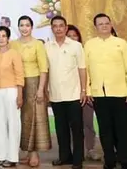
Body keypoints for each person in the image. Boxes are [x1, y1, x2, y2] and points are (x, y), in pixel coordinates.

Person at [85, 13, 127, 169]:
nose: (104, 26)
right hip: (99, 94)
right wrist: (88, 91)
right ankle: (109, 159)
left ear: (111, 24)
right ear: (95, 27)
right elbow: (86, 70)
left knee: (122, 129)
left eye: (106, 23)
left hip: (121, 93)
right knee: (105, 129)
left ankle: (125, 160)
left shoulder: (121, 43)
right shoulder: (89, 45)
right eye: (100, 24)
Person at [45, 16, 86, 169]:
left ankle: (77, 160)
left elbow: (82, 68)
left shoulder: (76, 46)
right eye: (55, 26)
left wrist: (83, 90)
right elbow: (46, 71)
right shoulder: (47, 47)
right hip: (56, 95)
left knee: (76, 129)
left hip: (74, 94)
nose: (58, 29)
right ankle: (64, 157)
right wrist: (45, 90)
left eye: (61, 26)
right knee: (61, 129)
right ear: (52, 28)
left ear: (66, 27)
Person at [12, 15, 50, 166]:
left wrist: (41, 89)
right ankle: (26, 152)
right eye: (21, 25)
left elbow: (44, 69)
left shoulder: (37, 44)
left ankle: (34, 153)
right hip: (16, 84)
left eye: (27, 25)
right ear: (18, 27)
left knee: (34, 118)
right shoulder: (13, 44)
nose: (24, 28)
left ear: (31, 27)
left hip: (34, 83)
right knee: (22, 119)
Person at [0, 25, 24, 167]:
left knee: (13, 123)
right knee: (0, 123)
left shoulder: (14, 53)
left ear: (8, 38)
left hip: (12, 91)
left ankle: (13, 157)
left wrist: (20, 95)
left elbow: (20, 75)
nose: (1, 38)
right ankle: (1, 155)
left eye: (3, 36)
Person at [66, 25, 99, 161]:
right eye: (70, 36)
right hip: (69, 94)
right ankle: (76, 151)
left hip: (85, 93)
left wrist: (86, 90)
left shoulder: (85, 52)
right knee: (73, 124)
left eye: (75, 35)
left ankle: (90, 149)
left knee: (87, 122)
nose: (73, 38)